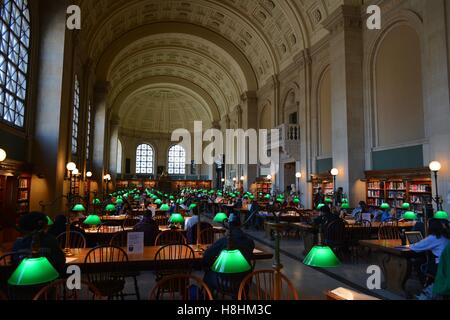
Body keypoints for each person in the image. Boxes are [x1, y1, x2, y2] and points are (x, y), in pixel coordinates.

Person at [202, 214, 255, 295]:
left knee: (208, 275)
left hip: (225, 282)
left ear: (229, 225)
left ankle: (209, 296)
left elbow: (207, 255)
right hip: (243, 280)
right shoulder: (250, 242)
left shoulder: (225, 241)